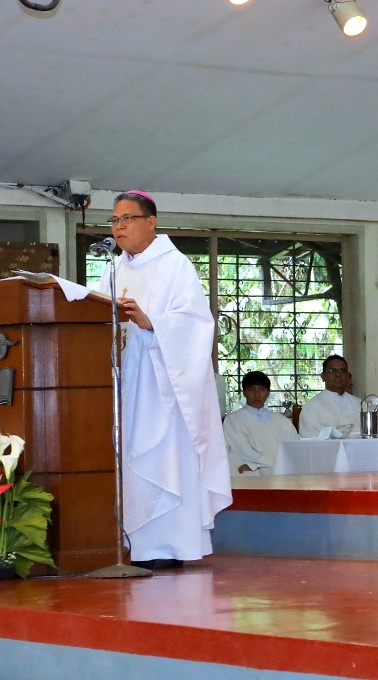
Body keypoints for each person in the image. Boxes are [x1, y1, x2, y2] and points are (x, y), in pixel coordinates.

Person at [97, 190, 232, 570]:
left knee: (166, 459)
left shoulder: (176, 265)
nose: (119, 227)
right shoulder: (113, 268)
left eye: (127, 219)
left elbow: (197, 324)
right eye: (114, 220)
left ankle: (171, 545)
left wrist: (151, 320)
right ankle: (133, 545)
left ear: (151, 222)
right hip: (126, 380)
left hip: (164, 385)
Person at [224, 371, 299, 475]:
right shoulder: (233, 420)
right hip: (252, 472)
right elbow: (238, 450)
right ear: (244, 392)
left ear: (268, 392)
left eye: (262, 389)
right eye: (251, 389)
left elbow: (295, 448)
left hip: (283, 472)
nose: (257, 394)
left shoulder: (282, 421)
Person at [298, 355, 361, 438]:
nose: (338, 374)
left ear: (348, 376)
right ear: (323, 376)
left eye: (342, 370)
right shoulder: (311, 407)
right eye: (332, 370)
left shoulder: (360, 404)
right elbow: (309, 440)